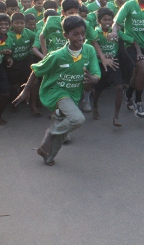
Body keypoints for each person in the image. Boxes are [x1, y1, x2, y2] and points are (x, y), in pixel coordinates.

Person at [13, 15, 101, 166]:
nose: (80, 38)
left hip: (74, 93)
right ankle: (51, 132)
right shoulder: (57, 55)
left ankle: (47, 155)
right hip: (55, 92)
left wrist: (93, 79)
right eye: (75, 34)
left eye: (82, 34)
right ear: (65, 35)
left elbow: (96, 73)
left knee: (64, 129)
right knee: (77, 119)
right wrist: (26, 90)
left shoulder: (89, 50)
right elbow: (36, 71)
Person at [92, 8, 130, 126]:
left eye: (110, 19)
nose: (107, 22)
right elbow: (89, 51)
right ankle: (94, 105)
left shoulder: (115, 32)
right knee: (98, 89)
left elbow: (130, 39)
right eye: (104, 20)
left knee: (119, 87)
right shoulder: (94, 34)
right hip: (99, 64)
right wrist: (102, 56)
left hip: (113, 63)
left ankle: (116, 117)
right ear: (99, 21)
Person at [6, 12, 37, 113]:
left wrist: (32, 51)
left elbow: (37, 41)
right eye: (17, 23)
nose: (19, 25)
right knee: (14, 85)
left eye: (22, 23)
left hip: (26, 61)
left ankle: (33, 105)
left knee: (32, 82)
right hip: (14, 63)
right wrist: (8, 56)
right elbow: (5, 49)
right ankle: (14, 103)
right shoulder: (8, 35)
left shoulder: (29, 33)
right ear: (11, 24)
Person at [0, 14, 13, 125]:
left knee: (5, 94)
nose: (3, 26)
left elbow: (6, 51)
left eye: (6, 24)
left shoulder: (7, 37)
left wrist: (8, 58)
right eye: (1, 24)